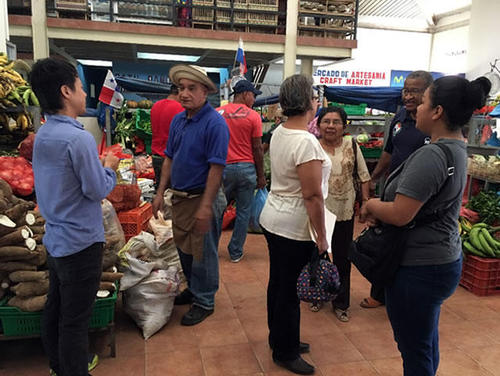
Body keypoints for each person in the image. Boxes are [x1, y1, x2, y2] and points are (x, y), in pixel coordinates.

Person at [360, 75, 491, 375]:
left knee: (415, 349)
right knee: (425, 342)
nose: (416, 108)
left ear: (438, 112)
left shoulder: (432, 155)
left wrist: (370, 205)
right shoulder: (456, 148)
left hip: (419, 267)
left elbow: (401, 213)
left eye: (424, 102)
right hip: (441, 259)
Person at [30, 58, 119, 376]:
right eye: (81, 87)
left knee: (55, 311)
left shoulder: (44, 134)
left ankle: (57, 367)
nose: (85, 94)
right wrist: (108, 168)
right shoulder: (78, 139)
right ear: (66, 91)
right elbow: (96, 190)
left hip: (56, 241)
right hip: (80, 243)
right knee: (75, 322)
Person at [259, 74, 331, 375]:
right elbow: (313, 196)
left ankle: (279, 337)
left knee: (278, 283)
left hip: (273, 217)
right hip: (293, 226)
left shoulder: (279, 131)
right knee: (289, 290)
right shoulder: (306, 142)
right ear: (311, 103)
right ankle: (285, 352)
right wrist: (322, 237)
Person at [152, 65, 229, 326]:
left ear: (205, 91)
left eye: (191, 88)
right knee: (185, 249)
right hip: (181, 198)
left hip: (203, 197)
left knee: (203, 253)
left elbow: (216, 168)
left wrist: (206, 207)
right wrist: (160, 192)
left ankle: (205, 301)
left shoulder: (215, 124)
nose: (184, 94)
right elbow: (169, 159)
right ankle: (195, 290)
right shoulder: (178, 120)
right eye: (181, 88)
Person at [361, 70, 434, 309]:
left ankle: (401, 295)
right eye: (406, 90)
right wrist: (374, 179)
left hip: (418, 195)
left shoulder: (432, 123)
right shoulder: (400, 117)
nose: (408, 95)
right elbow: (388, 153)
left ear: (428, 93)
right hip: (392, 190)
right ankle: (379, 292)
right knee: (386, 242)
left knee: (406, 245)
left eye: (415, 90)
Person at [312, 106, 370, 322]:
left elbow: (364, 175)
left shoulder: (352, 145)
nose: (331, 126)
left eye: (336, 122)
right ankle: (318, 295)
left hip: (345, 209)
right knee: (318, 256)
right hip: (319, 211)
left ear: (344, 126)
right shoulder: (313, 147)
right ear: (318, 125)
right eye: (326, 121)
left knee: (342, 258)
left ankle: (341, 302)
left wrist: (365, 203)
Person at [217, 80, 266, 262]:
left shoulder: (218, 113)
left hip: (222, 169)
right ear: (245, 94)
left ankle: (212, 249)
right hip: (246, 170)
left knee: (218, 209)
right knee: (243, 212)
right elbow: (257, 149)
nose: (253, 99)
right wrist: (261, 176)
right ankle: (235, 252)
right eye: (253, 95)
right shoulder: (253, 116)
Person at [151, 84, 183, 189]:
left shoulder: (155, 106)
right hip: (171, 159)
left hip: (156, 157)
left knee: (161, 193)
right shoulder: (180, 108)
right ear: (179, 92)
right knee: (172, 197)